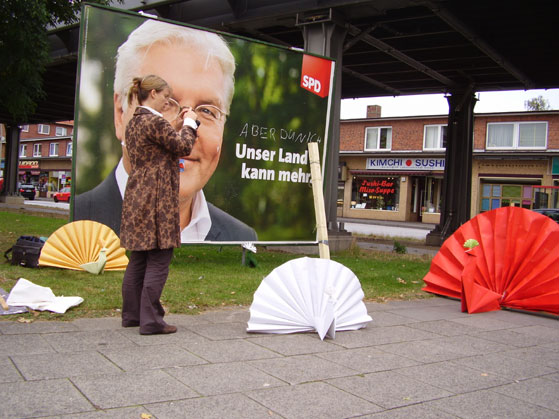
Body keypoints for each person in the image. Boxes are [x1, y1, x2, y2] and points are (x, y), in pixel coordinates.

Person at [74, 19, 257, 242]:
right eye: (166, 104)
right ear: (120, 115)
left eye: (207, 111)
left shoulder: (241, 238)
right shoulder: (77, 224)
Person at [120, 74, 197, 335]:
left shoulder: (135, 122)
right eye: (166, 96)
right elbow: (183, 146)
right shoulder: (154, 122)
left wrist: (175, 123)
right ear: (153, 94)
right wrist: (189, 123)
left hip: (137, 193)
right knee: (160, 256)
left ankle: (132, 315)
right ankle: (151, 320)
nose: (168, 101)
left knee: (139, 257)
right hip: (158, 196)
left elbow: (162, 142)